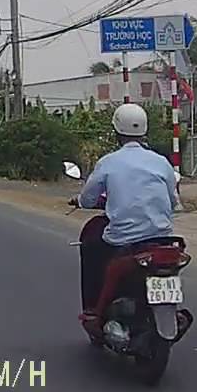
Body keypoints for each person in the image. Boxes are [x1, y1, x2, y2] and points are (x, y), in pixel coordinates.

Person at [75, 103, 180, 318]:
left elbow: (87, 199)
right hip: (163, 238)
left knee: (91, 244)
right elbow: (173, 201)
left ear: (116, 132)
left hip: (123, 240)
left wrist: (79, 201)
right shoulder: (161, 162)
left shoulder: (108, 163)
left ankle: (93, 308)